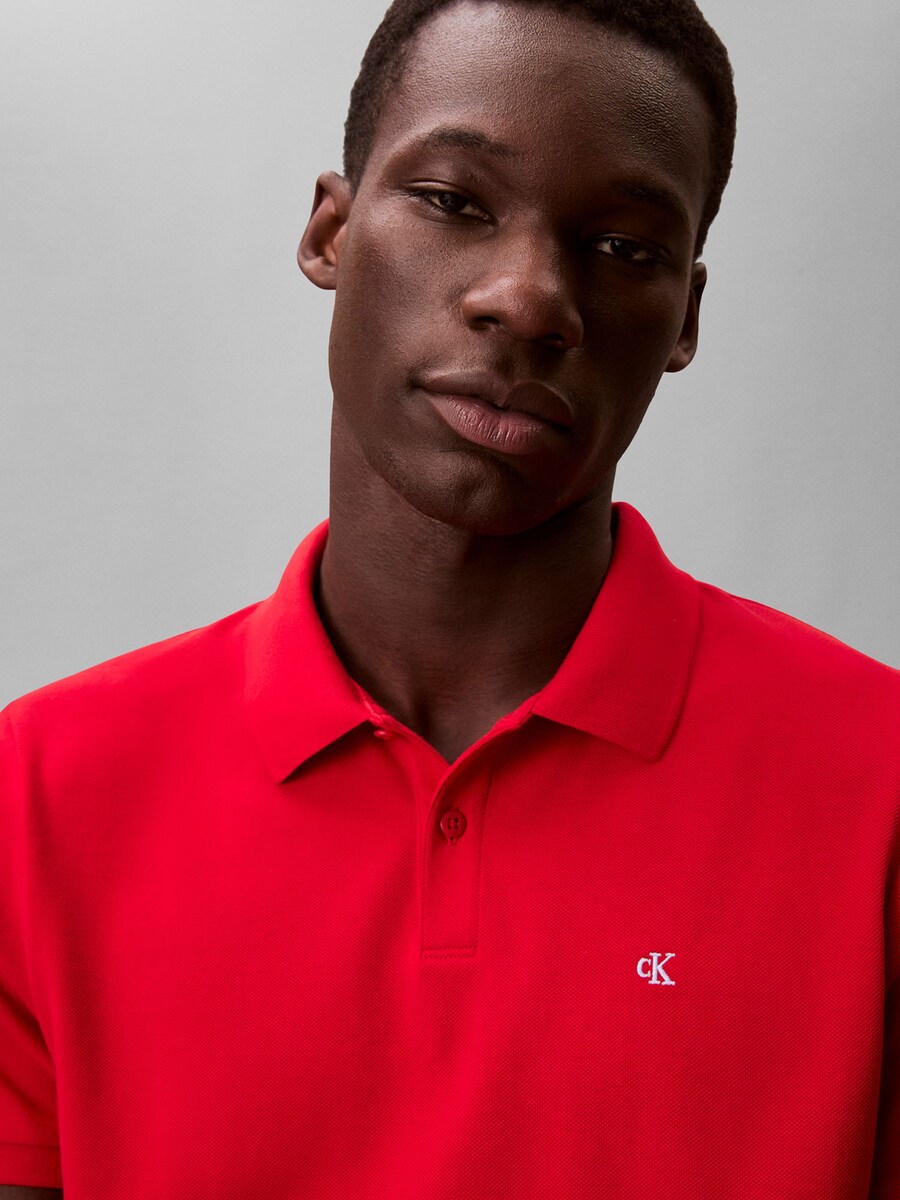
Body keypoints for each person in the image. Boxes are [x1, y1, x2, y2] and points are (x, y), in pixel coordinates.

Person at [1, 0, 897, 1195]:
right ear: (331, 232)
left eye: (623, 246)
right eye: (453, 201)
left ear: (684, 316)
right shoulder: (37, 796)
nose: (528, 298)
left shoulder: (881, 784)